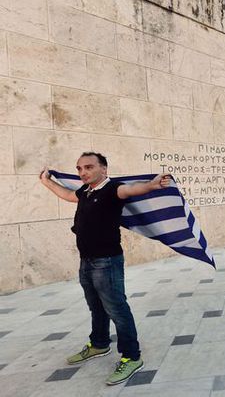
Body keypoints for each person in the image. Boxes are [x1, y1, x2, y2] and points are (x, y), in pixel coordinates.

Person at [39, 152, 171, 385]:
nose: (82, 172)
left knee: (117, 309)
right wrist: (47, 182)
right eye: (79, 168)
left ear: (104, 169)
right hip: (86, 260)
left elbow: (131, 190)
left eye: (88, 167)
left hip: (106, 261)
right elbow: (69, 195)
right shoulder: (86, 192)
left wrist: (151, 185)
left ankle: (131, 356)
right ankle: (99, 344)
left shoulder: (113, 189)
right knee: (96, 307)